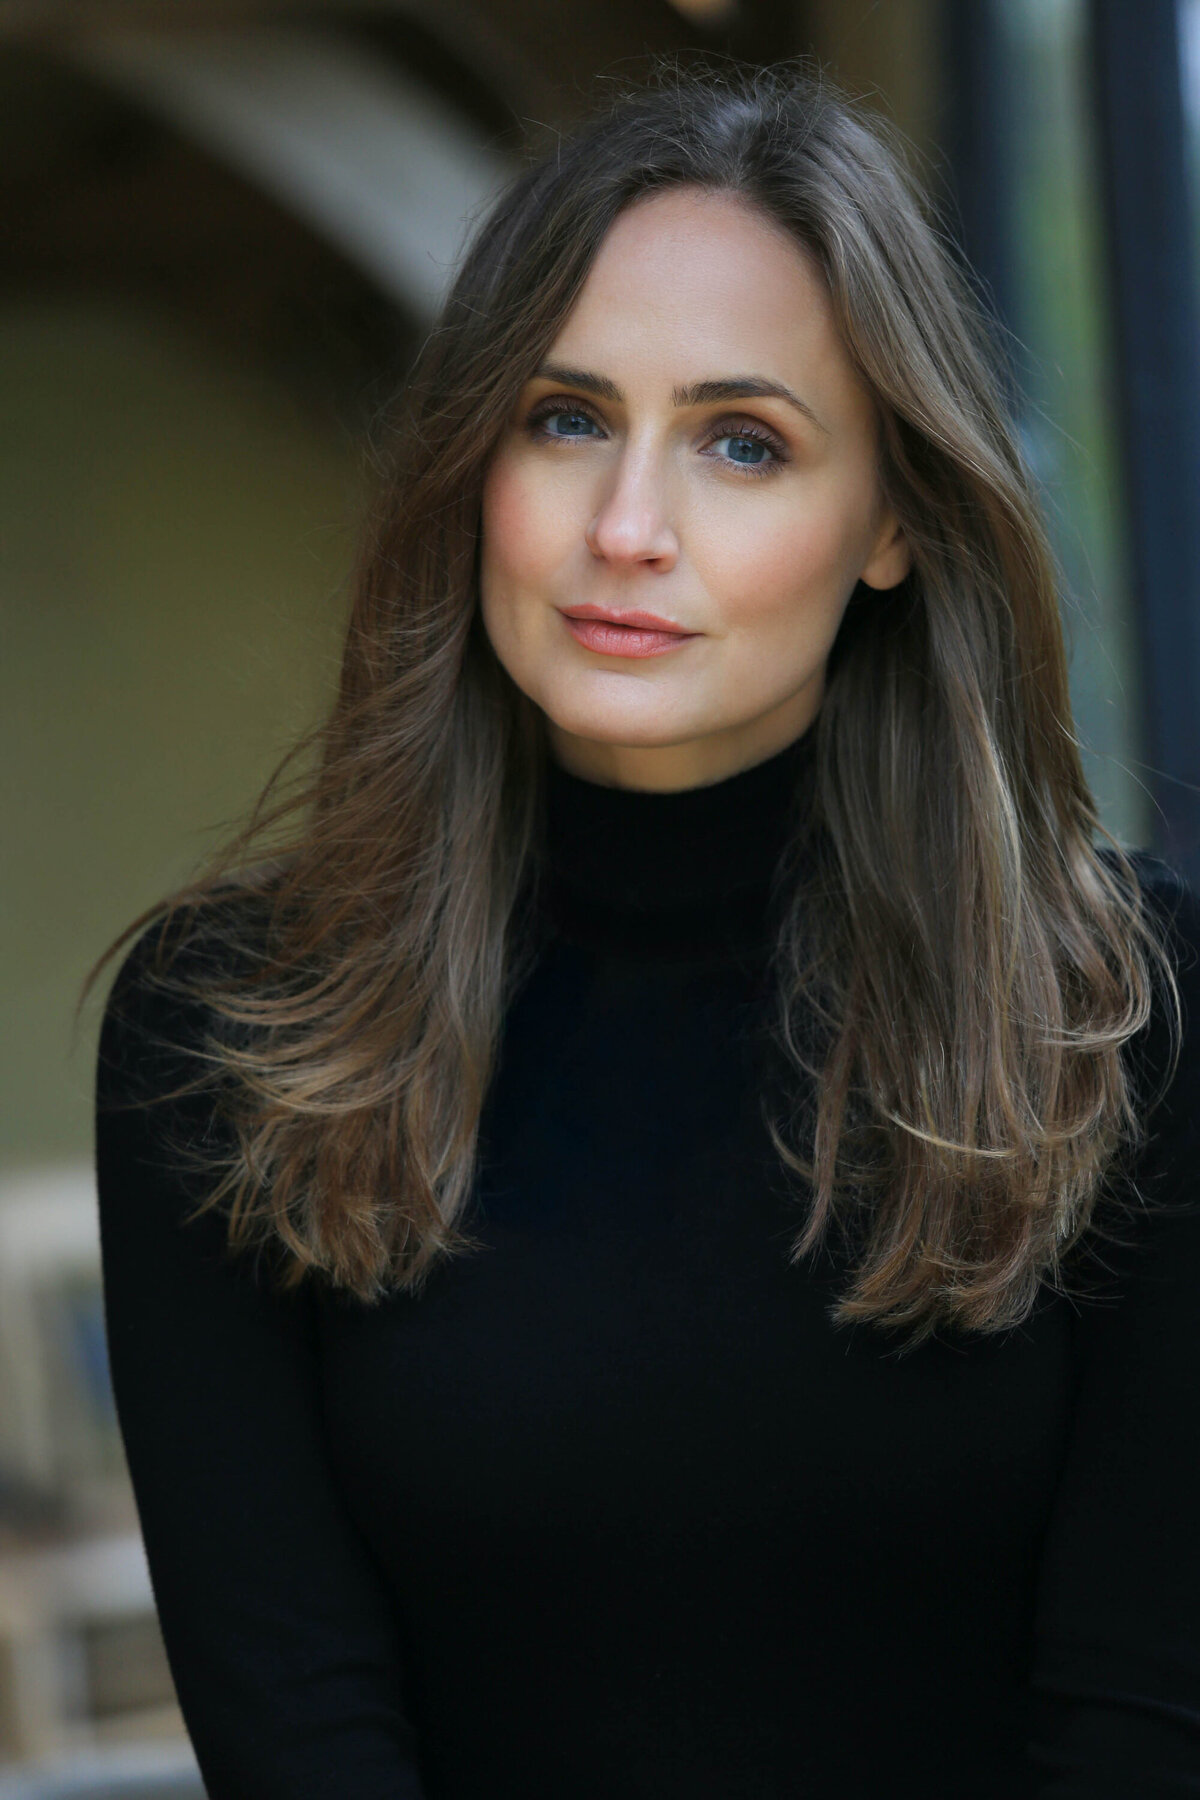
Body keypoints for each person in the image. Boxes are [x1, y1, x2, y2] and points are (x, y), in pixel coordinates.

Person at [90, 60, 1200, 1800]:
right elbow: (299, 1731)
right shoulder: (227, 1034)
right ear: (474, 463)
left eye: (742, 443)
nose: (626, 529)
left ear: (894, 520)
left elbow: (1146, 1717)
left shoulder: (1129, 1019)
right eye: (565, 419)